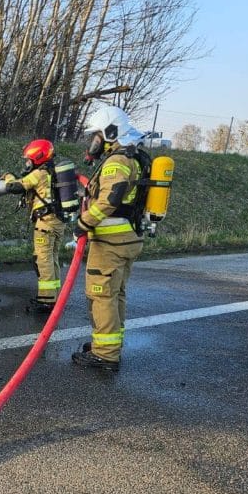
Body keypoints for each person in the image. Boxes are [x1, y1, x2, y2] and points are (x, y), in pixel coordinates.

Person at [70, 104, 147, 372]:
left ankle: (105, 355)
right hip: (127, 239)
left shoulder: (117, 161)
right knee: (115, 294)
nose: (94, 142)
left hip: (111, 243)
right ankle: (110, 345)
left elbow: (110, 200)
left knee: (101, 295)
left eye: (97, 136)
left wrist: (83, 223)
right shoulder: (130, 157)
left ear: (111, 133)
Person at [0, 138, 67, 314]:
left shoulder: (39, 174)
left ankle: (46, 300)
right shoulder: (52, 172)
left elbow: (14, 186)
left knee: (43, 261)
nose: (27, 163)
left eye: (29, 160)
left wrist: (8, 176)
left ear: (39, 157)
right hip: (57, 222)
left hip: (45, 223)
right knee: (52, 259)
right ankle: (54, 296)